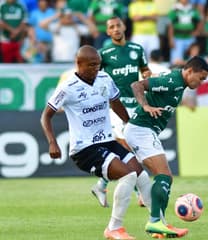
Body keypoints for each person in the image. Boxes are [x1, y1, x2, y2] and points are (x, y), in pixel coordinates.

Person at [40, 45, 152, 240]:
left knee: (141, 174)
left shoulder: (104, 78)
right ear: (79, 64)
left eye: (98, 65)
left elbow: (115, 103)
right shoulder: (68, 87)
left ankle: (157, 222)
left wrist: (129, 123)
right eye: (91, 65)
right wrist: (52, 142)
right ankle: (114, 229)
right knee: (128, 176)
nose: (95, 69)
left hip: (107, 140)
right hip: (84, 149)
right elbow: (45, 116)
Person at [123, 56, 208, 238]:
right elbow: (137, 85)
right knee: (164, 176)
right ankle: (155, 221)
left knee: (163, 177)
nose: (201, 82)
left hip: (146, 131)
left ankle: (159, 224)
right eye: (200, 78)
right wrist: (145, 106)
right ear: (189, 71)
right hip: (141, 129)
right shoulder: (172, 81)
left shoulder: (179, 84)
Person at [90, 16, 152, 208]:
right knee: (128, 147)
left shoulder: (137, 49)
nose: (116, 29)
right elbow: (95, 78)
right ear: (107, 32)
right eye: (111, 27)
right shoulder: (104, 53)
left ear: (124, 27)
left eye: (118, 25)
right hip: (116, 108)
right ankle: (141, 193)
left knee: (129, 149)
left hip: (136, 106)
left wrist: (149, 78)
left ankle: (101, 185)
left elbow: (145, 71)